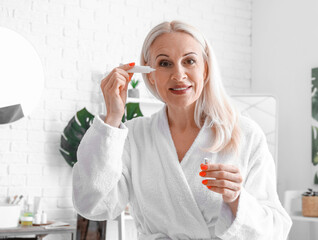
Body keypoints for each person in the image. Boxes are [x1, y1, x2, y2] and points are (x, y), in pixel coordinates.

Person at [72, 20, 292, 239]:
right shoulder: (134, 136)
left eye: (189, 61)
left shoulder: (245, 134)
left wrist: (236, 200)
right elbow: (92, 205)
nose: (178, 75)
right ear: (150, 74)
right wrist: (112, 117)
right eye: (165, 63)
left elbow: (275, 230)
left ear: (205, 69)